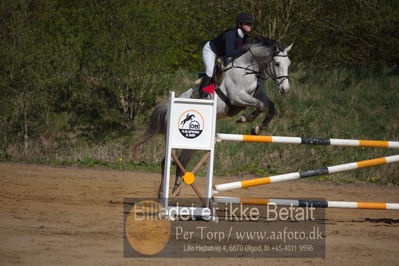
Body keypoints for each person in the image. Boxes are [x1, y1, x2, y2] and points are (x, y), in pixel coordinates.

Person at [198, 12, 254, 99]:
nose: (249, 25)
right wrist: (244, 48)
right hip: (211, 50)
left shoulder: (246, 37)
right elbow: (229, 53)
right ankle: (202, 93)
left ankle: (219, 90)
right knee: (209, 70)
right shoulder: (230, 35)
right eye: (247, 23)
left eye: (250, 24)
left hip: (223, 54)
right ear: (239, 24)